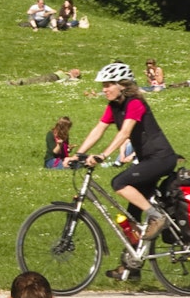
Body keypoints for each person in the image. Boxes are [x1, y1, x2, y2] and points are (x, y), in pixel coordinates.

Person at [68, 61, 181, 282]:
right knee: (132, 216)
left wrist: (103, 155)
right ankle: (132, 266)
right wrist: (77, 154)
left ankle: (158, 218)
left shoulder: (135, 103)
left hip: (161, 158)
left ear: (122, 85)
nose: (104, 89)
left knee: (119, 182)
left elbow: (125, 133)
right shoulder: (114, 106)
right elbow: (98, 129)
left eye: (108, 84)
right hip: (147, 160)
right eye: (103, 85)